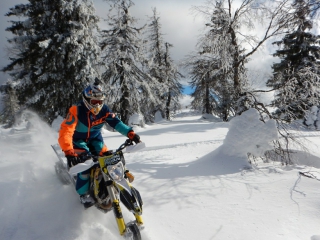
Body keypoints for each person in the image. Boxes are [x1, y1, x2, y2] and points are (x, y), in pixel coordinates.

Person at [58, 78, 141, 208]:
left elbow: (117, 123)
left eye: (100, 101)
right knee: (86, 166)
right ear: (87, 99)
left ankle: (121, 177)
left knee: (110, 159)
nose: (97, 105)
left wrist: (130, 133)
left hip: (96, 140)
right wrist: (69, 152)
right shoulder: (76, 110)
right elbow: (66, 131)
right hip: (78, 142)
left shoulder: (104, 110)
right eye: (94, 101)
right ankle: (84, 194)